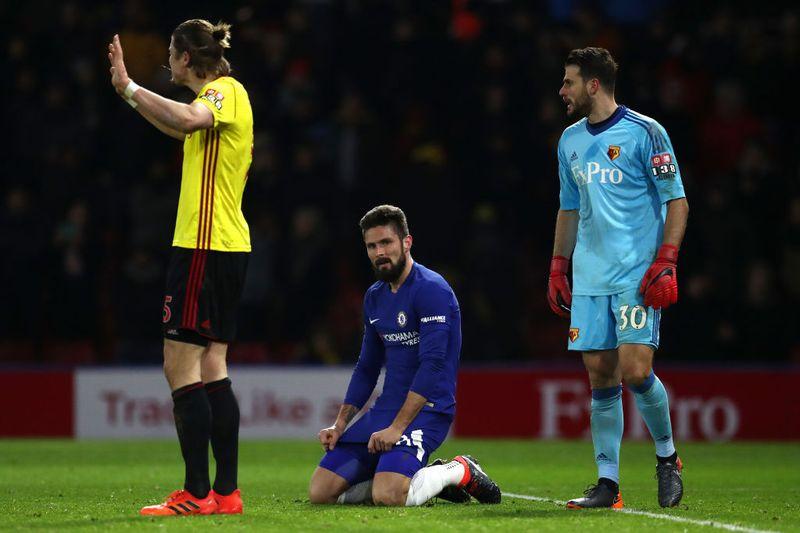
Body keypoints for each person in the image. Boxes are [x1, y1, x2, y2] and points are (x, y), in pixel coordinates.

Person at [107, 19, 253, 516]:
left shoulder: (223, 92)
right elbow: (178, 125)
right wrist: (129, 96)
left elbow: (188, 120)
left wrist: (130, 86)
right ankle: (226, 494)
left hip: (203, 247)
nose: (168, 63)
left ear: (186, 57)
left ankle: (195, 493)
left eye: (171, 54)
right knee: (212, 365)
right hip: (225, 246)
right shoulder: (219, 102)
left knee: (179, 364)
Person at [548, 47, 689, 509]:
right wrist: (558, 265)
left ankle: (667, 458)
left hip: (635, 273)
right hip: (590, 277)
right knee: (600, 376)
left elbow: (676, 201)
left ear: (593, 85)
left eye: (569, 81)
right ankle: (608, 484)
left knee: (636, 369)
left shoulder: (646, 132)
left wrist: (666, 259)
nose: (562, 90)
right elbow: (569, 208)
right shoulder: (568, 141)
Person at [308, 205, 501, 506]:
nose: (379, 252)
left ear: (406, 242)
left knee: (388, 495)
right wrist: (340, 424)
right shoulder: (375, 297)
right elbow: (367, 367)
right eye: (372, 246)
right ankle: (417, 479)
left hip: (428, 410)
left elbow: (432, 364)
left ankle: (458, 470)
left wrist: (397, 429)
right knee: (321, 492)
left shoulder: (432, 290)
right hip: (386, 410)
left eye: (386, 242)